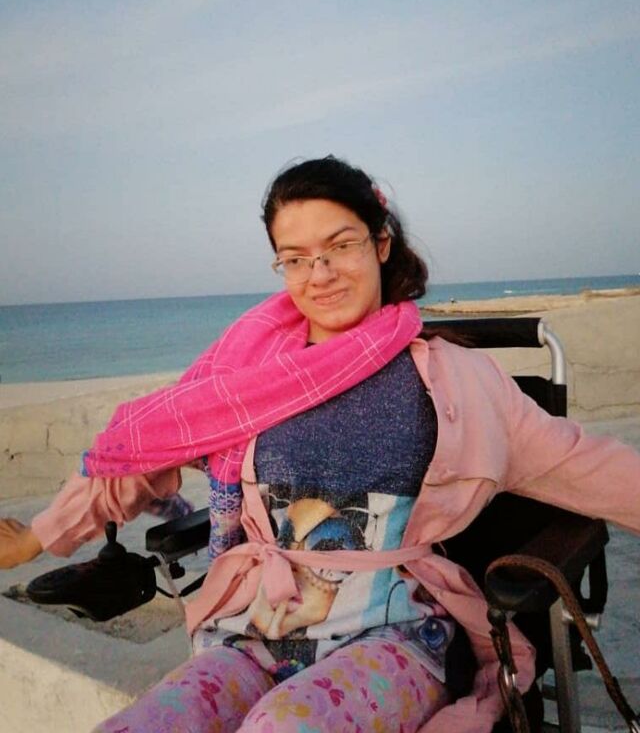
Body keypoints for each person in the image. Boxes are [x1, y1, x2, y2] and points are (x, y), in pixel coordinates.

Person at [1, 155, 639, 733]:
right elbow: (143, 456)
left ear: (381, 243)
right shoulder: (249, 374)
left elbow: (582, 463)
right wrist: (37, 536)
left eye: (341, 246)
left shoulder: (456, 381)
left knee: (280, 726)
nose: (321, 274)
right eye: (296, 258)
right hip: (257, 631)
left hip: (394, 635)